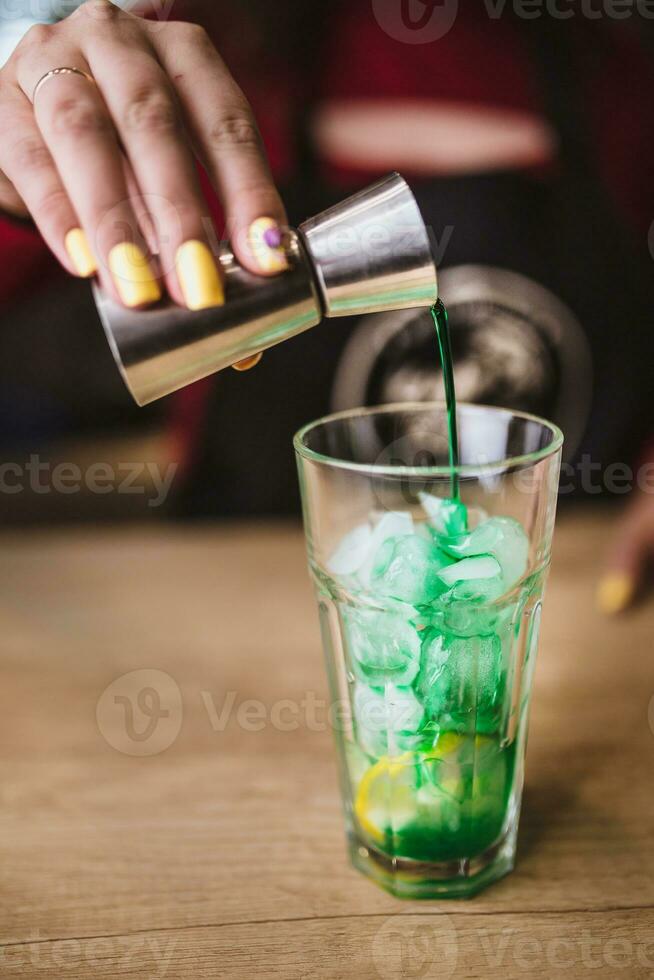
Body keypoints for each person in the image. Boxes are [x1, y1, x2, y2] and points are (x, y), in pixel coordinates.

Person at [0, 0, 652, 613]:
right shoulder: (187, 73)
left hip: (555, 612)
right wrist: (20, 162)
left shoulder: (622, 81)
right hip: (231, 618)